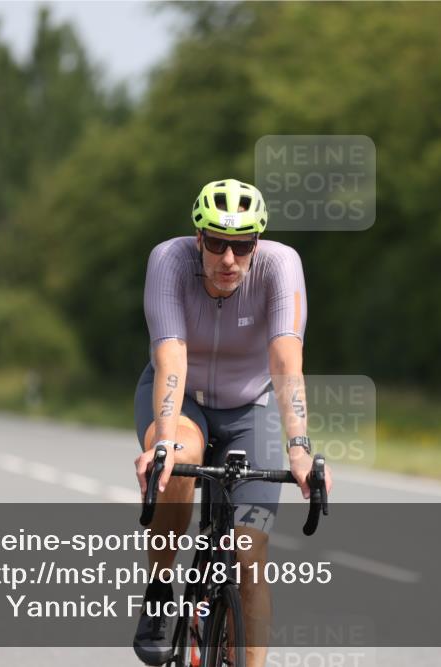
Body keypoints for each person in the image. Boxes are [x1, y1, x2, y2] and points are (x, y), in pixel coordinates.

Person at [132, 179, 333, 666]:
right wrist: (161, 441)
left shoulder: (281, 266)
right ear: (198, 238)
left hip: (253, 407)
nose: (229, 259)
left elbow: (286, 360)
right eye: (217, 243)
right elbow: (171, 358)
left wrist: (300, 449)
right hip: (183, 399)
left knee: (249, 559)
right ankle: (161, 588)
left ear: (256, 244)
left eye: (242, 246)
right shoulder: (169, 262)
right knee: (179, 456)